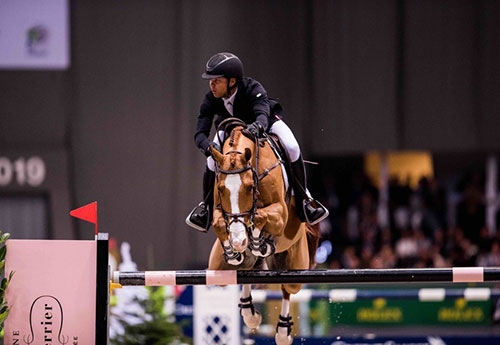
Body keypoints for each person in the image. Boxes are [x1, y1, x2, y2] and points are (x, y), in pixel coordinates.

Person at [186, 52, 328, 232]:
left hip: (265, 124)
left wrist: (257, 127)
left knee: (292, 146)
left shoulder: (253, 88)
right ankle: (206, 209)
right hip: (230, 128)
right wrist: (207, 146)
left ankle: (303, 201)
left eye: (217, 80)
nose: (211, 85)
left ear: (232, 81)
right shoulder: (210, 99)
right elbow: (200, 133)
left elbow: (262, 114)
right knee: (210, 160)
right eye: (210, 80)